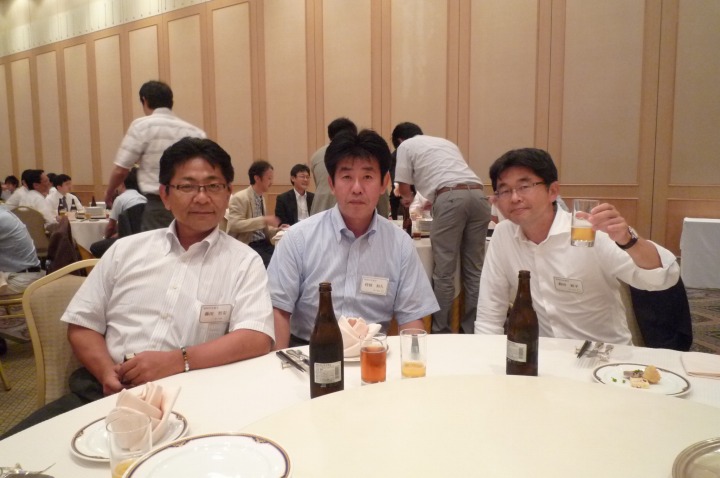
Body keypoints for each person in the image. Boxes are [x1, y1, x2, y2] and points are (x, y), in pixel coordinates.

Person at [0, 137, 275, 439]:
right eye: (187, 186)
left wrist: (178, 360)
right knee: (19, 449)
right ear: (165, 195)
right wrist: (106, 372)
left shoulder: (244, 261)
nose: (201, 197)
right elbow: (82, 324)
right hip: (103, 394)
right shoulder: (125, 251)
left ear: (227, 194)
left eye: (213, 186)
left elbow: (256, 337)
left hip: (194, 398)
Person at [474, 148, 680, 345]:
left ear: (552, 191)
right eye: (504, 190)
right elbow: (489, 313)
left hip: (604, 356)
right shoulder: (503, 235)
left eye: (524, 187)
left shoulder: (590, 230)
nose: (515, 198)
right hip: (543, 355)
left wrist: (628, 240)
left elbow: (661, 279)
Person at [268, 129, 439, 348]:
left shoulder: (400, 244)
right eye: (347, 177)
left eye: (367, 177)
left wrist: (410, 363)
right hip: (308, 351)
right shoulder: (298, 238)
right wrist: (279, 363)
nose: (357, 188)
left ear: (384, 183)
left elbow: (412, 317)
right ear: (332, 184)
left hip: (373, 354)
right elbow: (279, 311)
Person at [395, 127, 491, 334]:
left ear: (399, 139)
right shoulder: (446, 143)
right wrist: (436, 200)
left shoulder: (405, 146)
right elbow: (452, 179)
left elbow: (403, 187)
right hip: (479, 196)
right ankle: (473, 330)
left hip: (450, 199)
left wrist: (407, 200)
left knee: (445, 272)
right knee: (475, 271)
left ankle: (441, 331)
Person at [103, 80, 206, 231]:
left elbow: (121, 170)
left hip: (160, 203)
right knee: (193, 243)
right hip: (193, 201)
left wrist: (109, 193)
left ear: (144, 100)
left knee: (160, 244)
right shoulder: (195, 132)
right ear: (171, 101)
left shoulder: (142, 126)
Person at [226, 160, 283, 267]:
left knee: (285, 258)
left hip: (264, 244)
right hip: (248, 245)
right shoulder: (240, 198)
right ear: (257, 178)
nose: (272, 182)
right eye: (269, 178)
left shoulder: (261, 198)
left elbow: (260, 230)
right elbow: (234, 225)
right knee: (275, 265)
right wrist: (264, 220)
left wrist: (277, 230)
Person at [89, 168, 147, 258]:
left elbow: (110, 227)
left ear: (122, 184)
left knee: (95, 247)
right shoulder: (144, 198)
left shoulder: (120, 199)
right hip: (142, 240)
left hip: (127, 241)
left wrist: (105, 238)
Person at [309, 117, 357, 215]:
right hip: (347, 210)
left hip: (319, 208)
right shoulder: (357, 152)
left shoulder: (316, 156)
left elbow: (318, 183)